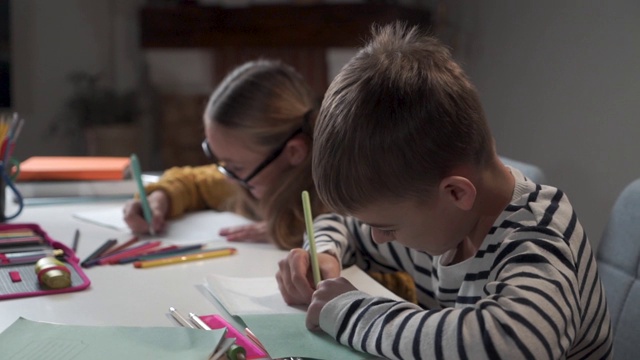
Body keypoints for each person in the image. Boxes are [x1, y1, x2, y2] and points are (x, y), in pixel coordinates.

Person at [276, 22, 613, 359]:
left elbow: (508, 346)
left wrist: (349, 312)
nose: (377, 237)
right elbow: (348, 227)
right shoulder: (442, 217)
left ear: (455, 193)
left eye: (388, 227)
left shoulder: (538, 237)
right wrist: (323, 253)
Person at [123, 59, 416, 302]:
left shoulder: (345, 198)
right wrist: (161, 196)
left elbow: (403, 282)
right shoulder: (248, 177)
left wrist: (294, 237)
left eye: (235, 165)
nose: (227, 174)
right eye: (217, 158)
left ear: (293, 152)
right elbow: (196, 180)